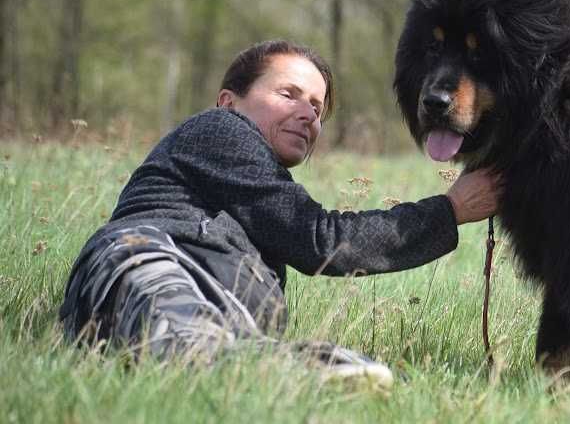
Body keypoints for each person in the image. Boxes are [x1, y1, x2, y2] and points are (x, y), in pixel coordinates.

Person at [59, 40, 501, 385]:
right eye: (289, 94)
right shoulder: (218, 129)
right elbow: (321, 241)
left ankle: (300, 368)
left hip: (222, 318)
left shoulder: (256, 179)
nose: (308, 114)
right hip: (149, 260)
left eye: (317, 106)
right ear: (229, 101)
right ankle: (309, 367)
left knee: (215, 364)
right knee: (184, 345)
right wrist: (450, 210)